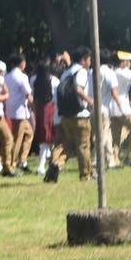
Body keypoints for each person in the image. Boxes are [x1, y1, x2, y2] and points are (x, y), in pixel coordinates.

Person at [46, 48, 95, 182]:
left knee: (69, 146)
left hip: (66, 116)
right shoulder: (82, 71)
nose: (90, 62)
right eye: (89, 59)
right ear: (84, 59)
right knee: (83, 146)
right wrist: (89, 100)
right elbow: (79, 89)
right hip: (80, 114)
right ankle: (86, 174)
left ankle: (56, 164)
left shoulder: (66, 73)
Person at [107, 52, 131, 167]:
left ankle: (115, 159)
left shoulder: (112, 71)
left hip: (112, 109)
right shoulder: (123, 72)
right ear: (123, 62)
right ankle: (129, 156)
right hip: (123, 108)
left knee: (115, 138)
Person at [5, 55, 35, 173]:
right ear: (22, 63)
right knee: (17, 138)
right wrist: (33, 106)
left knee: (29, 134)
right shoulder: (22, 76)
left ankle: (22, 160)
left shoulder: (7, 76)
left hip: (11, 110)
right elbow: (28, 94)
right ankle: (12, 163)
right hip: (20, 112)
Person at [31, 58, 58, 175]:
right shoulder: (54, 80)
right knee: (50, 139)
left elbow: (32, 96)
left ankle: (49, 164)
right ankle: (44, 165)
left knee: (44, 139)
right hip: (51, 109)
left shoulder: (34, 80)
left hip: (39, 109)